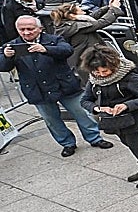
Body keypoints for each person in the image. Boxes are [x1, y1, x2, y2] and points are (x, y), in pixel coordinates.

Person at [0, 15, 112, 156]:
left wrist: (45, 49)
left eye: (30, 29)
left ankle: (94, 138)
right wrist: (6, 56)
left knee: (82, 113)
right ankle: (67, 143)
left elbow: (67, 50)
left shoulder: (53, 39)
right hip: (38, 90)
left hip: (64, 85)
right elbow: (3, 66)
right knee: (52, 120)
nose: (26, 32)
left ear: (40, 29)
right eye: (22, 29)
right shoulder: (11, 46)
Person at [79, 44, 138, 189]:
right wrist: (97, 108)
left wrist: (126, 105)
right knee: (127, 143)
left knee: (136, 145)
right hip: (113, 120)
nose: (101, 74)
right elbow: (85, 100)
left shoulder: (129, 77)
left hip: (132, 118)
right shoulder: (94, 80)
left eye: (104, 71)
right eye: (97, 71)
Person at [49, 0, 121, 79]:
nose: (83, 11)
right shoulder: (76, 27)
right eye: (80, 10)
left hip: (87, 58)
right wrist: (115, 9)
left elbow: (90, 18)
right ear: (72, 16)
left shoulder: (70, 24)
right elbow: (101, 23)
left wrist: (108, 7)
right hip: (86, 61)